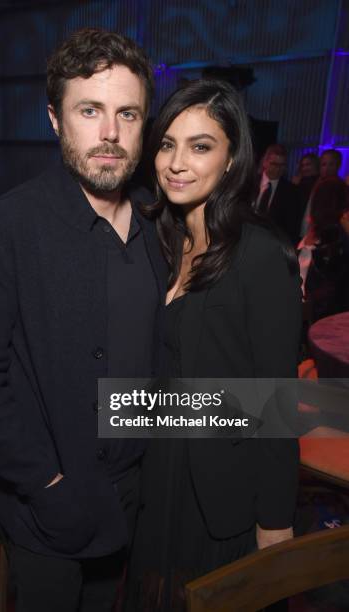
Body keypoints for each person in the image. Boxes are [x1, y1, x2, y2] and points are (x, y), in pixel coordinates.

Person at [0, 28, 167, 612]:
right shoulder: (3, 230)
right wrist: (46, 484)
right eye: (90, 110)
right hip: (51, 507)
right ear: (54, 119)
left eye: (128, 113)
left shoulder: (154, 229)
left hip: (137, 497)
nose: (110, 133)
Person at [124, 79, 302, 612]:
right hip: (159, 473)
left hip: (224, 489)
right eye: (166, 144)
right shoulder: (164, 239)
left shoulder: (262, 255)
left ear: (231, 160)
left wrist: (275, 524)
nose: (177, 162)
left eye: (200, 146)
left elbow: (278, 405)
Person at [298, 177, 349, 320]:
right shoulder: (323, 233)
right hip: (308, 314)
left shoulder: (335, 238)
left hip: (320, 319)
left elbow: (330, 291)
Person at [256, 143, 302, 245]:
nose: (278, 168)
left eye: (282, 165)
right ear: (265, 162)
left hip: (273, 245)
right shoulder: (249, 183)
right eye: (274, 164)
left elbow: (291, 226)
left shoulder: (292, 191)